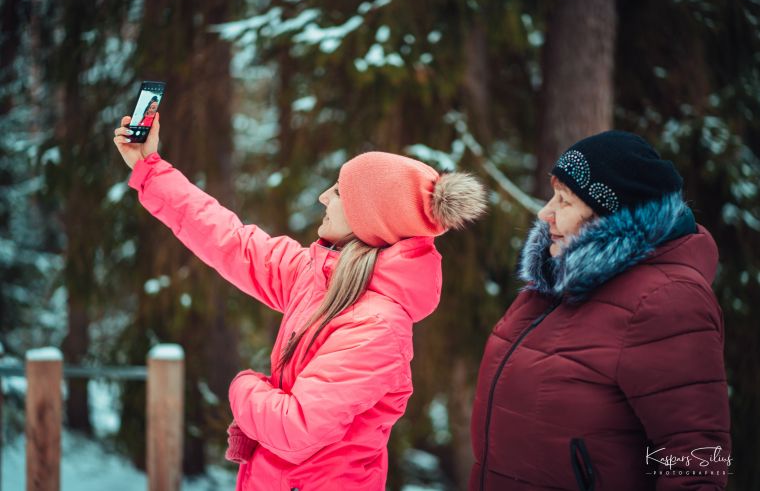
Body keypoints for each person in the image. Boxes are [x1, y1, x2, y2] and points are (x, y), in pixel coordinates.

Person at [113, 113, 488, 490]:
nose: (324, 197)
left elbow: (294, 428)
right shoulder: (318, 278)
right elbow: (228, 238)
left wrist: (244, 387)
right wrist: (150, 167)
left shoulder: (377, 329)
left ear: (371, 219)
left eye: (339, 192)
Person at [470, 131, 731, 491]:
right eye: (553, 196)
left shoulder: (666, 300)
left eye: (564, 201)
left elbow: (696, 459)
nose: (545, 212)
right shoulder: (554, 285)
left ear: (612, 217)